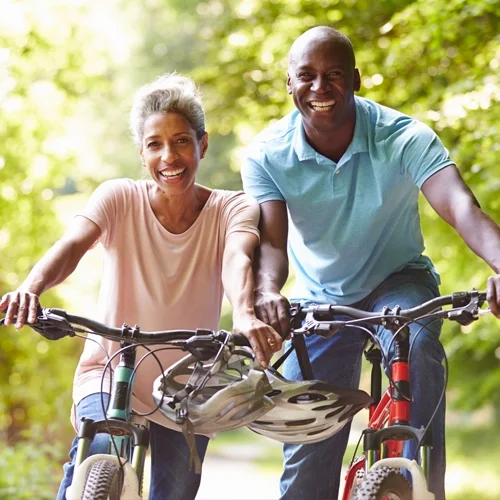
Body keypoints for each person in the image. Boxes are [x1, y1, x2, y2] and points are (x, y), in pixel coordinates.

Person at [242, 26, 500, 500]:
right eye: (307, 76)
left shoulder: (403, 136)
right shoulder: (266, 154)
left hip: (397, 281)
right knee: (308, 451)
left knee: (417, 344)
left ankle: (413, 473)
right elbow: (273, 246)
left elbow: (462, 209)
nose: (320, 88)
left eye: (334, 75)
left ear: (357, 79)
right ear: (289, 84)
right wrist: (265, 292)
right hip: (320, 296)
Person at [0, 73, 282, 500]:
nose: (169, 156)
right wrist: (31, 288)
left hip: (190, 384)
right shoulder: (117, 198)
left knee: (176, 490)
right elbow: (71, 246)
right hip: (111, 370)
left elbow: (237, 259)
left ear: (202, 144)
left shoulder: (232, 207)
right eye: (155, 144)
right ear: (142, 153)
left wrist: (244, 312)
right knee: (94, 455)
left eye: (181, 141)